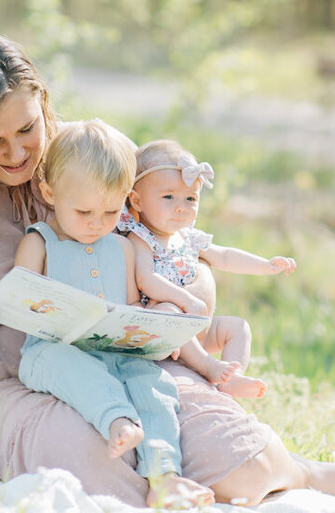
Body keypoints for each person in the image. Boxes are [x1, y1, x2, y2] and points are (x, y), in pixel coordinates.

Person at [0, 29, 335, 507]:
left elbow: (172, 241)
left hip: (127, 363)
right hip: (3, 393)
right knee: (99, 463)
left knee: (248, 469)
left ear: (43, 104)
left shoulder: (84, 155)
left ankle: (297, 472)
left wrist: (175, 296)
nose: (17, 153)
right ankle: (166, 487)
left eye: (27, 128)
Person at [14, 119, 213, 508]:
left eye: (109, 212)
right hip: (48, 350)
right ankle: (117, 418)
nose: (96, 223)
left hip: (111, 350)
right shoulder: (39, 242)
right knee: (72, 365)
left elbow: (125, 312)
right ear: (49, 192)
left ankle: (165, 475)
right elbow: (20, 300)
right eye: (84, 211)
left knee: (153, 385)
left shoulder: (121, 248)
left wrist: (152, 335)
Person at [119, 138, 295, 401]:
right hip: (164, 330)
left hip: (199, 328)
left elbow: (224, 256)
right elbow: (146, 279)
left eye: (191, 198)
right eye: (168, 197)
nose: (181, 206)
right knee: (166, 310)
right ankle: (208, 366)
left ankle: (231, 379)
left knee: (238, 327)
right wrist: (185, 300)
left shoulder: (188, 236)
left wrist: (265, 265)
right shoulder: (141, 238)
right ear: (137, 201)